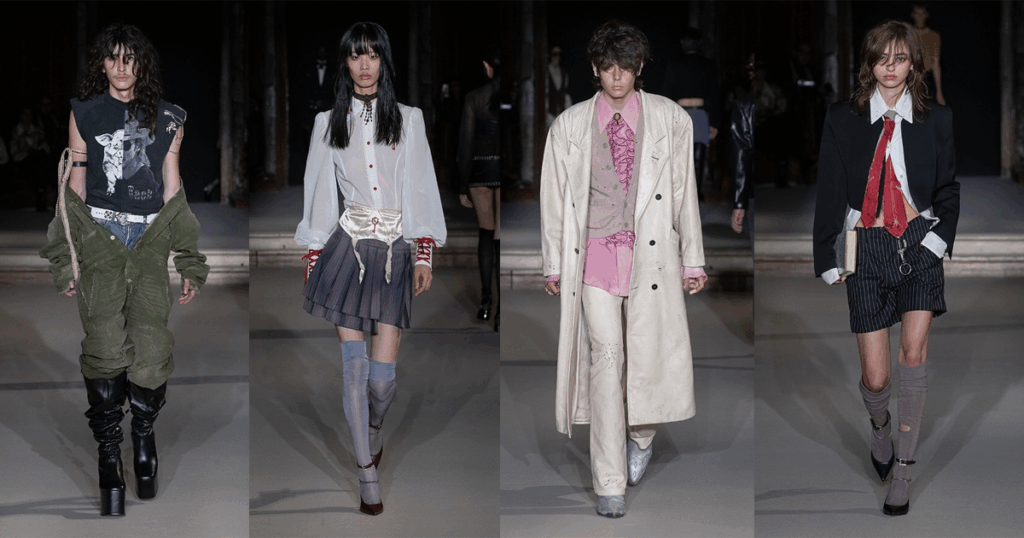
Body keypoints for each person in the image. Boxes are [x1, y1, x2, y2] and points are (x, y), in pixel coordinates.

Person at [39, 23, 209, 517]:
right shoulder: (85, 113)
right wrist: (65, 255)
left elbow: (172, 187)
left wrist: (188, 257)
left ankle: (143, 436)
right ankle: (110, 457)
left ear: (142, 64)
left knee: (151, 347)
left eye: (129, 58)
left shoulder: (170, 117)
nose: (120, 67)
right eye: (112, 58)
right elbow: (74, 185)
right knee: (103, 345)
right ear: (102, 63)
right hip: (100, 238)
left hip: (150, 240)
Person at [540, 20, 707, 518]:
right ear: (595, 68)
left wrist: (693, 258)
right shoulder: (569, 125)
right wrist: (554, 264)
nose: (617, 77)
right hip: (593, 255)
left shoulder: (670, 119)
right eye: (608, 67)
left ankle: (643, 433)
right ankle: (609, 481)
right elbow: (554, 200)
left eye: (626, 67)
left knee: (645, 353)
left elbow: (684, 192)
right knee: (606, 359)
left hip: (650, 255)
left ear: (639, 68)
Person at [294, 21, 446, 516]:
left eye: (373, 55)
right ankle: (366, 473)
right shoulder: (327, 123)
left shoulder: (409, 119)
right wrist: (314, 252)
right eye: (356, 55)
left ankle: (374, 427)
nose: (364, 65)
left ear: (384, 60)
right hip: (347, 250)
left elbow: (420, 184)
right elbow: (320, 191)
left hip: (394, 252)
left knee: (381, 382)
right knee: (354, 370)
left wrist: (423, 251)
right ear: (345, 62)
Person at [813, 20, 958, 516]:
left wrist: (936, 242)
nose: (890, 68)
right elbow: (831, 188)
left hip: (919, 243)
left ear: (913, 62)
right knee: (876, 379)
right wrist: (829, 257)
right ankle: (880, 429)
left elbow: (948, 188)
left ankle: (904, 472)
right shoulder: (843, 117)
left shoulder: (937, 119)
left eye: (900, 58)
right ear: (869, 63)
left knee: (913, 356)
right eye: (882, 59)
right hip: (867, 246)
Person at [458, 48, 501, 328]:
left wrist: (463, 184)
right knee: (499, 238)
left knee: (486, 235)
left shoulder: (475, 97)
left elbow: (466, 142)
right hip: (503, 171)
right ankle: (501, 312)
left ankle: (486, 303)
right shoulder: (512, 96)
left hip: (481, 170)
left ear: (487, 66)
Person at [661, 27, 720, 201]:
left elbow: (666, 94)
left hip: (680, 114)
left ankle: (683, 193)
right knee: (698, 156)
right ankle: (695, 192)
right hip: (699, 113)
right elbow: (715, 95)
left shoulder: (674, 64)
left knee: (680, 155)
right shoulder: (707, 65)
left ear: (682, 43)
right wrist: (715, 122)